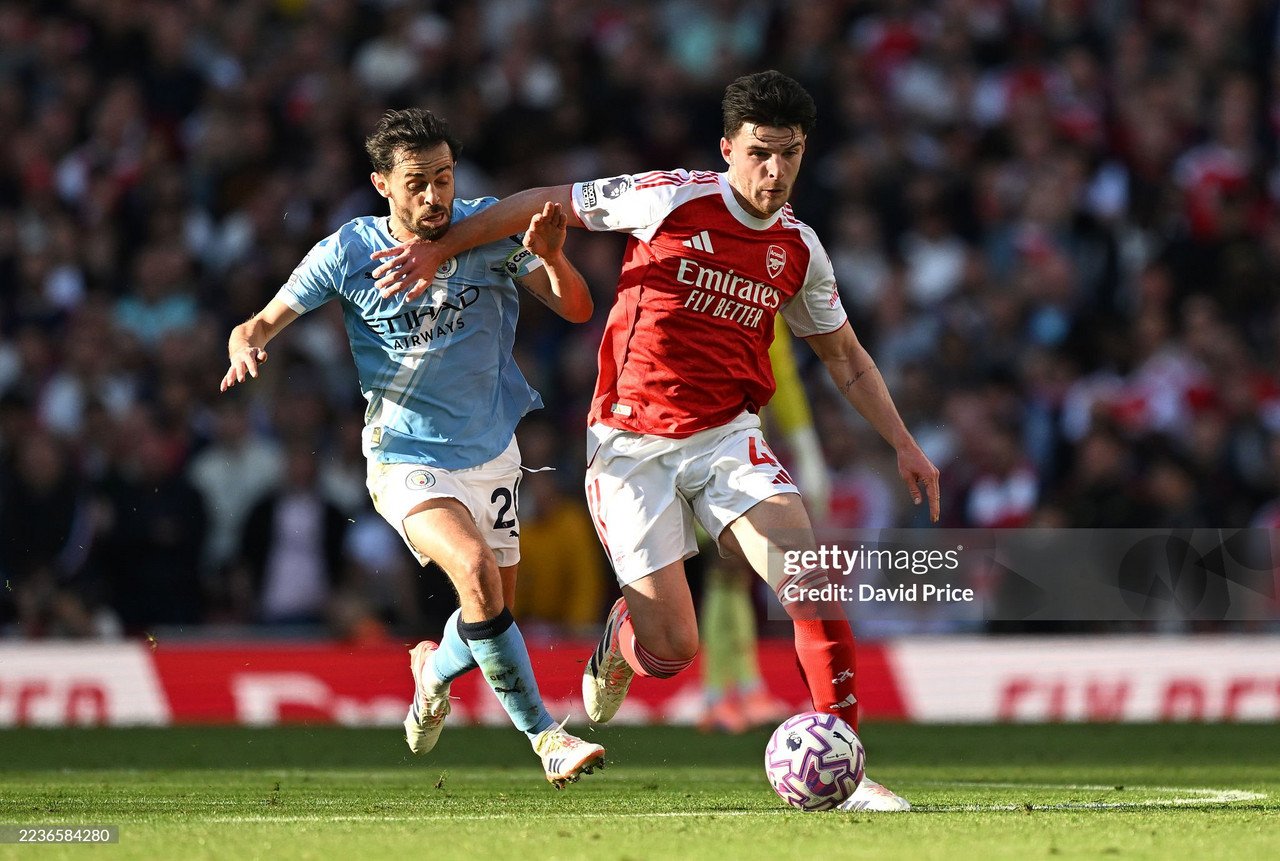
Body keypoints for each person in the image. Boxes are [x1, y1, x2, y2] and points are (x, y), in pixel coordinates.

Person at [371, 73, 941, 811]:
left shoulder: (800, 249)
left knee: (810, 577)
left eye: (791, 156)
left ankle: (845, 760)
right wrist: (439, 251)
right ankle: (621, 640)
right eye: (761, 154)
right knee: (672, 649)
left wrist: (903, 441)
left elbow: (847, 357)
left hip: (728, 436)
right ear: (728, 148)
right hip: (630, 444)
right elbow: (539, 204)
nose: (775, 172)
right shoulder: (669, 196)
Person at [220, 108, 604, 788]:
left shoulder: (486, 231)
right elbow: (264, 318)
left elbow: (576, 306)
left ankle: (431, 670)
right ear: (381, 184)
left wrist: (547, 256)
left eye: (445, 179)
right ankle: (547, 736)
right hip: (405, 456)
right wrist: (247, 338)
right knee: (477, 572)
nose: (436, 197)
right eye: (418, 182)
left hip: (492, 453)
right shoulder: (348, 251)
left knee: (487, 610)